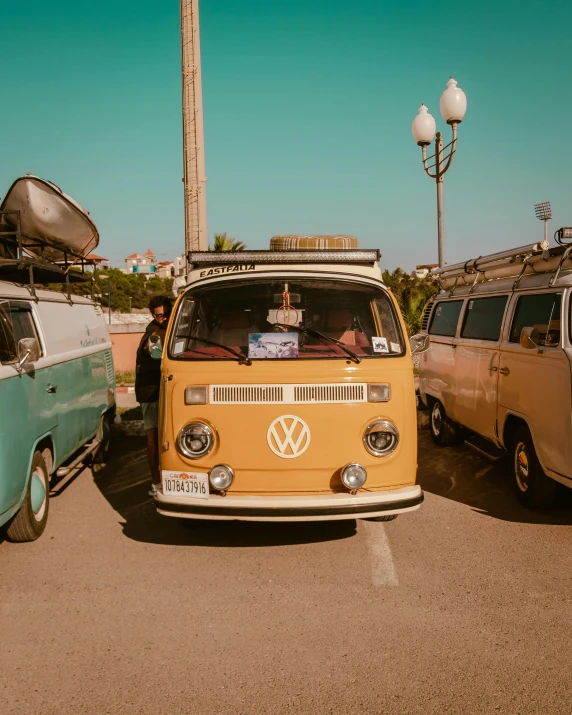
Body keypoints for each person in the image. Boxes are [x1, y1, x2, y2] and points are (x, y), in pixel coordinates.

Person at [135, 295, 173, 496]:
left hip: (166, 388)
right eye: (160, 316)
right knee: (154, 438)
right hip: (150, 391)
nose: (165, 318)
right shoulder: (153, 331)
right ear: (153, 316)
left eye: (167, 314)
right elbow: (150, 348)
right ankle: (156, 484)